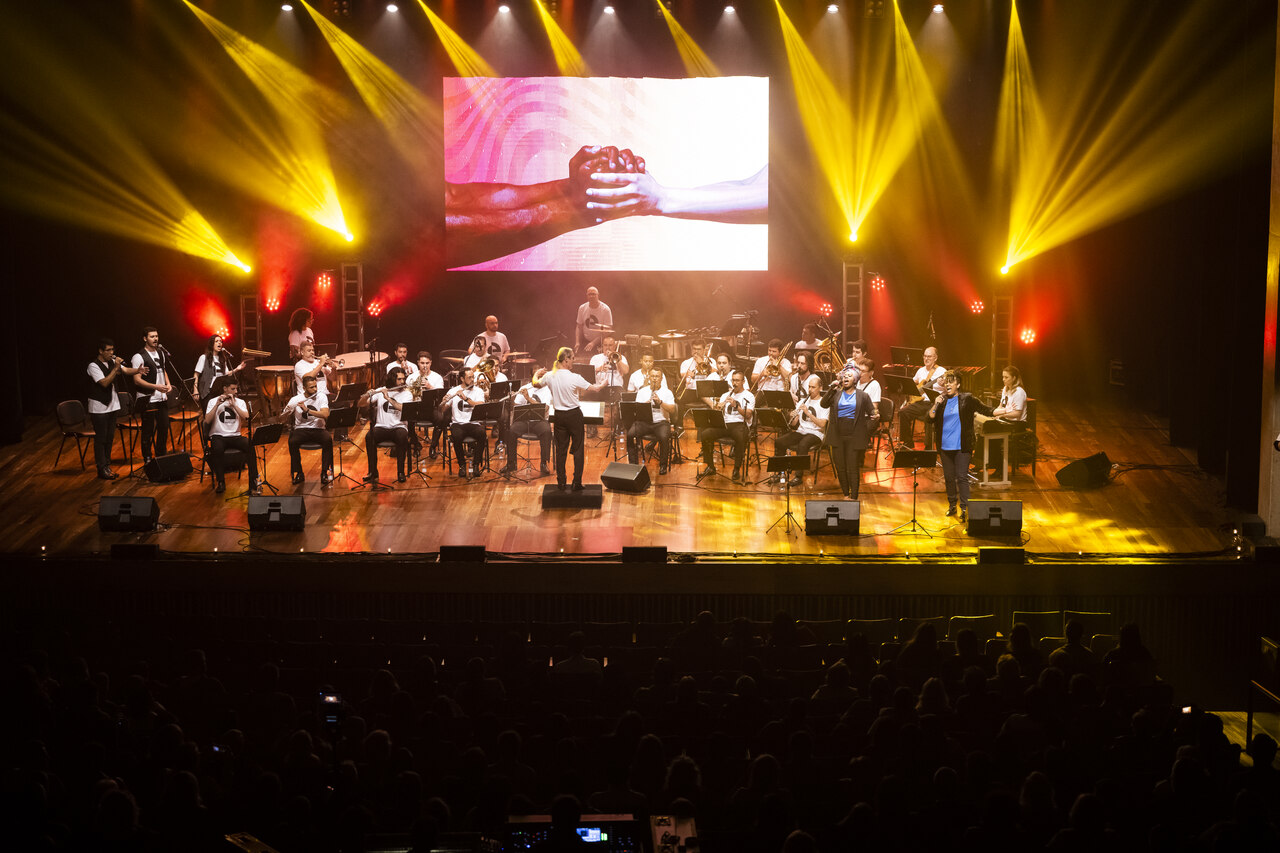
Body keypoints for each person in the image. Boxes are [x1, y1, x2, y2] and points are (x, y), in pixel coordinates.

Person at [532, 346, 608, 491]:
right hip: (574, 416)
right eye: (572, 358)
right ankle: (576, 482)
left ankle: (561, 482)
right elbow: (596, 388)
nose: (574, 361)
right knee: (578, 450)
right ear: (566, 360)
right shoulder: (574, 377)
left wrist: (536, 373)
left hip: (559, 417)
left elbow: (535, 383)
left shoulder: (549, 376)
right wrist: (604, 383)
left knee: (561, 450)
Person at [926, 369, 993, 519]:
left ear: (958, 384)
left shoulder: (967, 399)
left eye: (951, 382)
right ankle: (952, 506)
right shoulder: (941, 401)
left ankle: (964, 508)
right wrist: (936, 404)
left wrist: (1004, 411)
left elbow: (986, 410)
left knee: (961, 476)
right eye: (946, 382)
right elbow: (930, 418)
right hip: (945, 447)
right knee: (949, 478)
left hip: (962, 446)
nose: (947, 385)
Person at [87, 338, 146, 480]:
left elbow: (125, 370)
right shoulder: (93, 366)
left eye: (112, 349)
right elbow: (104, 383)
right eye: (108, 350)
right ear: (100, 351)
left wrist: (138, 370)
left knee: (109, 438)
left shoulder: (112, 362)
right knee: (101, 439)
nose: (111, 353)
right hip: (99, 407)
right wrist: (115, 368)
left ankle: (107, 466)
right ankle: (101, 468)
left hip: (113, 406)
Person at [821, 366, 876, 499]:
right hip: (837, 435)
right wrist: (831, 389)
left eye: (849, 375)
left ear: (855, 379)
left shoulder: (863, 396)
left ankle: (854, 496)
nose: (846, 377)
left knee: (853, 467)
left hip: (854, 435)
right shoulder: (836, 393)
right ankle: (846, 494)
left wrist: (874, 415)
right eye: (844, 375)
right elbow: (823, 404)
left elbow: (872, 411)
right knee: (840, 467)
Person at [203, 378, 259, 495]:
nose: (236, 391)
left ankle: (253, 481)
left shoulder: (240, 402)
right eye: (233, 389)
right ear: (225, 388)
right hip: (218, 436)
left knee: (250, 446)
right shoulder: (213, 401)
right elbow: (207, 420)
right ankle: (221, 482)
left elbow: (246, 417)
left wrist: (234, 405)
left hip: (235, 436)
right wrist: (217, 405)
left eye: (236, 389)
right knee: (217, 449)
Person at [700, 369, 754, 483]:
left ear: (743, 382)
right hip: (725, 424)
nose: (735, 383)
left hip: (740, 424)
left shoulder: (749, 396)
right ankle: (710, 466)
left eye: (737, 381)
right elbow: (718, 412)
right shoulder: (725, 395)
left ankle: (736, 469)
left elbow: (748, 415)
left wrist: (736, 406)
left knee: (741, 437)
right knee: (705, 434)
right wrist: (718, 408)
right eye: (733, 380)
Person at [361, 367, 413, 484]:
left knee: (402, 437)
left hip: (399, 427)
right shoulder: (381, 391)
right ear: (392, 379)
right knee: (369, 437)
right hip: (381, 427)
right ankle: (372, 471)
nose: (402, 382)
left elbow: (402, 408)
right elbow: (361, 404)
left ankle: (400, 472)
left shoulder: (407, 394)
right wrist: (367, 395)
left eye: (403, 379)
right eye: (399, 379)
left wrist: (388, 398)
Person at [774, 375, 829, 487]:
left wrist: (808, 413)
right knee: (779, 441)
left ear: (820, 388)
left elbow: (822, 424)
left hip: (816, 433)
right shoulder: (804, 401)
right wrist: (792, 416)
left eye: (813, 387)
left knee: (803, 444)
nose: (810, 390)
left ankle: (798, 476)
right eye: (809, 387)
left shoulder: (824, 404)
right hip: (801, 431)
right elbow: (794, 424)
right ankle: (780, 472)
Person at [131, 326, 174, 463]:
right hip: (148, 398)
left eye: (156, 336)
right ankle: (148, 458)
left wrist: (168, 384)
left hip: (161, 397)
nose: (155, 339)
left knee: (164, 427)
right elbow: (137, 380)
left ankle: (161, 456)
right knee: (148, 430)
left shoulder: (160, 353)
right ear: (145, 338)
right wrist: (156, 387)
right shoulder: (139, 356)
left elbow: (163, 370)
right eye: (152, 336)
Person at [281, 374, 332, 486]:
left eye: (315, 386)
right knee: (292, 442)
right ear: (304, 388)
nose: (315, 389)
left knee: (328, 440)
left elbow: (325, 414)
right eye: (311, 387)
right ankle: (299, 473)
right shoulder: (295, 399)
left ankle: (324, 472)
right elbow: (282, 419)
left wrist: (307, 410)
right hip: (301, 429)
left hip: (318, 428)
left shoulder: (321, 396)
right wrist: (287, 411)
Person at [976, 365, 1028, 472]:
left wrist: (1001, 415)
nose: (1003, 379)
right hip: (1006, 419)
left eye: (1006, 377)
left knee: (992, 434)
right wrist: (994, 414)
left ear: (1014, 378)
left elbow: (1017, 414)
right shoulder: (1005, 389)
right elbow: (1001, 406)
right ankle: (980, 463)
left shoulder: (1019, 392)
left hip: (1017, 424)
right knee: (982, 430)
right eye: (1003, 377)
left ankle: (999, 468)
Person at [501, 369, 553, 476]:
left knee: (547, 431)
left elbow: (545, 409)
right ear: (532, 377)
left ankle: (543, 463)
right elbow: (515, 407)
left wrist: (528, 398)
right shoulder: (525, 388)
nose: (540, 379)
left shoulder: (547, 389)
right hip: (524, 421)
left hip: (540, 421)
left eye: (542, 377)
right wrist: (512, 399)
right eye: (538, 376)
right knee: (511, 431)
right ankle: (511, 463)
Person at [441, 367, 490, 479]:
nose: (472, 380)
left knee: (482, 434)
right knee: (456, 436)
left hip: (473, 423)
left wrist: (466, 399)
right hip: (458, 424)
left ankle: (476, 464)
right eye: (469, 377)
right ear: (462, 379)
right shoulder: (453, 391)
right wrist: (443, 402)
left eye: (473, 377)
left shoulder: (478, 391)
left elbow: (480, 405)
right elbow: (442, 410)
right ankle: (462, 465)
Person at [629, 367, 677, 474]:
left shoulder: (667, 392)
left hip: (661, 422)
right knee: (630, 434)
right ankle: (633, 464)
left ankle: (663, 466)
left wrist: (660, 402)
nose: (654, 379)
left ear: (661, 378)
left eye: (657, 376)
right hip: (645, 422)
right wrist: (645, 404)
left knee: (664, 437)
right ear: (649, 378)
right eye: (652, 376)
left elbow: (672, 410)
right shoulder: (642, 391)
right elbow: (636, 410)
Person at [898, 346, 946, 449]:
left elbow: (950, 388)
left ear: (935, 358)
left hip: (936, 404)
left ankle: (928, 448)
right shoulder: (920, 371)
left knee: (929, 416)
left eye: (929, 356)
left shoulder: (942, 371)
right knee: (903, 412)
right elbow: (914, 383)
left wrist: (943, 384)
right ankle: (908, 442)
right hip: (922, 402)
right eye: (925, 356)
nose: (926, 358)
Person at [413, 351, 447, 459]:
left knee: (441, 419)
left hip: (431, 407)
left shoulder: (437, 377)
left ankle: (433, 446)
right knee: (405, 420)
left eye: (427, 363)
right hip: (416, 407)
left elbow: (440, 395)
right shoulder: (412, 377)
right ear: (418, 363)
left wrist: (430, 387)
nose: (425, 366)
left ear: (431, 363)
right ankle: (416, 445)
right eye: (422, 363)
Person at [194, 334, 243, 406]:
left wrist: (237, 369)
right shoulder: (204, 357)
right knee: (208, 412)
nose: (219, 343)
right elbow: (196, 375)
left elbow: (227, 373)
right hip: (207, 391)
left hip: (219, 391)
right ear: (211, 344)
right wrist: (195, 390)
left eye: (221, 341)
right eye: (216, 341)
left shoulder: (223, 359)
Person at [576, 286, 613, 355]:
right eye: (589, 294)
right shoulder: (582, 308)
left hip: (600, 342)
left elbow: (608, 331)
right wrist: (577, 342)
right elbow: (579, 326)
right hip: (585, 341)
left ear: (598, 295)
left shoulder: (605, 309)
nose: (591, 296)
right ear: (587, 296)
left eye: (593, 294)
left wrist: (594, 342)